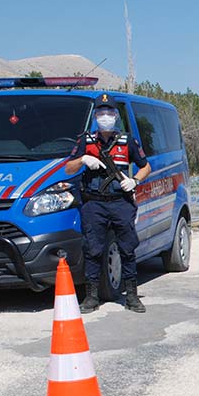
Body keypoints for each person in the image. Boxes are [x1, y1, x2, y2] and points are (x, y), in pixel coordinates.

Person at [65, 93, 152, 313]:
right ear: (95, 116)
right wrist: (83, 159)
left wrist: (134, 181)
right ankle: (92, 296)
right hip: (94, 204)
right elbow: (68, 168)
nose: (105, 116)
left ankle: (131, 296)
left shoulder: (127, 141)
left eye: (109, 112)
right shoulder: (86, 141)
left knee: (127, 248)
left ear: (115, 115)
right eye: (101, 113)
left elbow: (146, 166)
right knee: (93, 249)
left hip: (121, 202)